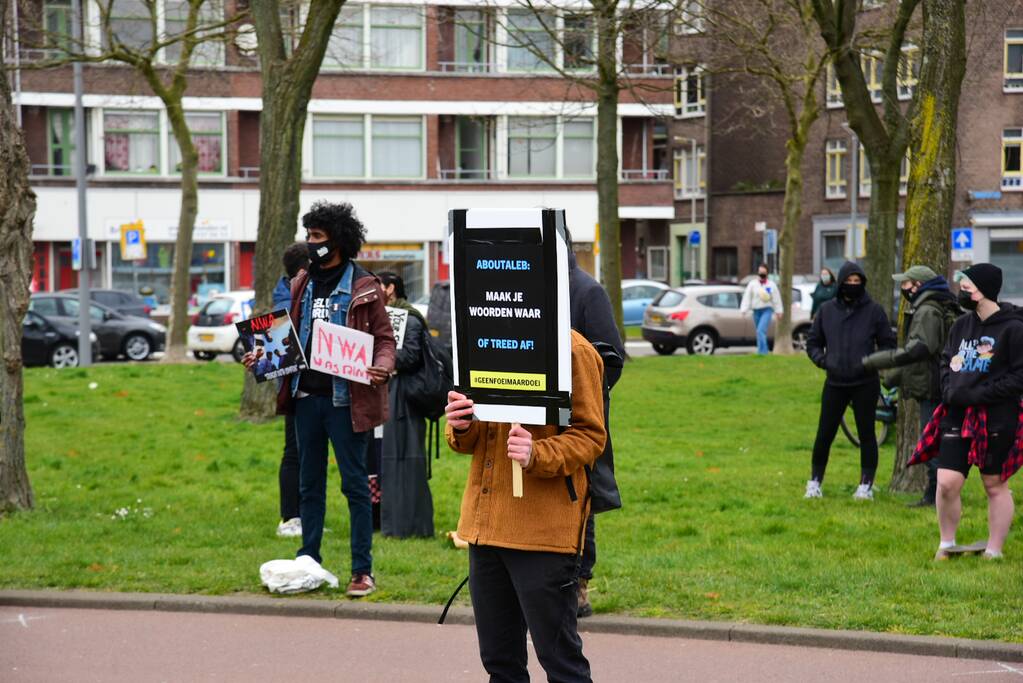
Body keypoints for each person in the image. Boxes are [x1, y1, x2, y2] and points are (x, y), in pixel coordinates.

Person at [246, 201, 396, 598]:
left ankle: (362, 571)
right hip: (305, 398)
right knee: (309, 485)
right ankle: (307, 558)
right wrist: (260, 356)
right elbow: (283, 334)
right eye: (308, 236)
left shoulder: (365, 287)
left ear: (339, 243)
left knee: (355, 486)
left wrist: (382, 365)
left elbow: (384, 338)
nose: (310, 245)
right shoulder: (300, 283)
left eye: (317, 238)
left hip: (347, 402)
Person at [444, 330, 606, 683]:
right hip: (484, 530)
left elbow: (592, 436)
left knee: (561, 664)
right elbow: (473, 437)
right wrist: (460, 425)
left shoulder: (572, 348)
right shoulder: (482, 339)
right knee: (500, 665)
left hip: (542, 533)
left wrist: (539, 453)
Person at [909, 264, 1023, 560]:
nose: (962, 291)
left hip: (997, 417)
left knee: (994, 483)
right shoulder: (961, 325)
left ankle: (993, 551)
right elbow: (946, 361)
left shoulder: (1013, 329)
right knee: (947, 482)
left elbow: (1018, 378)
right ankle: (947, 544)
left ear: (984, 290)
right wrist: (949, 389)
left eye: (967, 286)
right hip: (957, 414)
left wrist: (978, 394)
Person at [863, 265, 958, 508]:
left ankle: (935, 496)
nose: (902, 288)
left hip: (932, 387)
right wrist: (896, 375)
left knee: (932, 440)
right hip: (932, 382)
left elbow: (919, 349)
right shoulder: (931, 306)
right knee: (934, 439)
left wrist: (877, 361)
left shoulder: (927, 310)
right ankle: (936, 494)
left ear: (917, 286)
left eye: (905, 284)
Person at [805, 261, 896, 500]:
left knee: (867, 434)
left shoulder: (874, 311)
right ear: (841, 283)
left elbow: (888, 344)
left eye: (857, 282)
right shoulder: (826, 311)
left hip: (865, 383)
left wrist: (871, 362)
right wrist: (823, 361)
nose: (853, 286)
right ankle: (814, 482)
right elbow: (813, 342)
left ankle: (866, 485)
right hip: (835, 382)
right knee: (824, 433)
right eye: (849, 282)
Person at [567, 245, 625, 618]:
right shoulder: (532, 288)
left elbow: (612, 357)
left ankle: (579, 586)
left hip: (579, 419)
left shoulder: (587, 291)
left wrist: (585, 396)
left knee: (582, 498)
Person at [377, 271, 434, 539]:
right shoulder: (388, 317)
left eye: (379, 286)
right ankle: (395, 523)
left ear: (390, 289)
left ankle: (409, 525)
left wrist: (381, 359)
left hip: (405, 402)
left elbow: (411, 356)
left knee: (405, 460)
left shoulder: (408, 319)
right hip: (392, 396)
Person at [271, 242, 309, 538]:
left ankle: (305, 514)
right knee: (294, 451)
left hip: (312, 385)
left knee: (308, 452)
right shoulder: (287, 297)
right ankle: (290, 516)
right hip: (297, 386)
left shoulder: (289, 293)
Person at [740, 264, 783, 354]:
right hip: (756, 311)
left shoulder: (771, 285)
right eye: (760, 272)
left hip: (767, 310)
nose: (761, 274)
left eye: (763, 273)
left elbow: (776, 298)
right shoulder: (752, 284)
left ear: (767, 273)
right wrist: (744, 309)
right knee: (759, 332)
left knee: (760, 330)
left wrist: (779, 311)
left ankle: (764, 352)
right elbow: (747, 296)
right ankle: (761, 351)